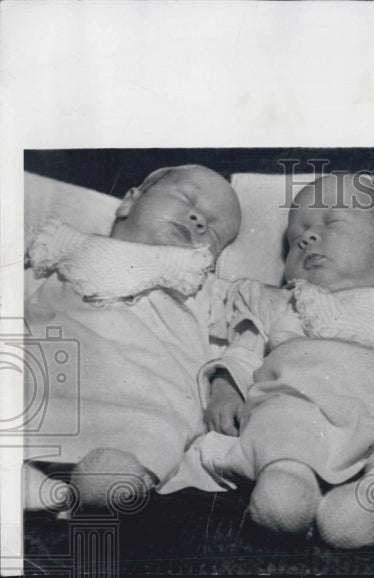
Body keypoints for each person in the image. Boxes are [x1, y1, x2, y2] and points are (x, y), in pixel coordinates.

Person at [200, 174, 374, 548]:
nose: (306, 237)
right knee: (281, 418)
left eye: (332, 223)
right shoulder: (283, 302)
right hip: (307, 398)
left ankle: (373, 497)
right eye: (294, 238)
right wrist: (225, 388)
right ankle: (287, 477)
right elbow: (244, 350)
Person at [24, 165, 241, 510]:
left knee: (157, 431)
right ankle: (40, 486)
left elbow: (244, 338)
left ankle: (97, 481)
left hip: (145, 397)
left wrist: (227, 384)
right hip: (48, 364)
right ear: (129, 201)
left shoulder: (202, 287)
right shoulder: (65, 246)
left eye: (214, 232)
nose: (199, 221)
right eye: (187, 200)